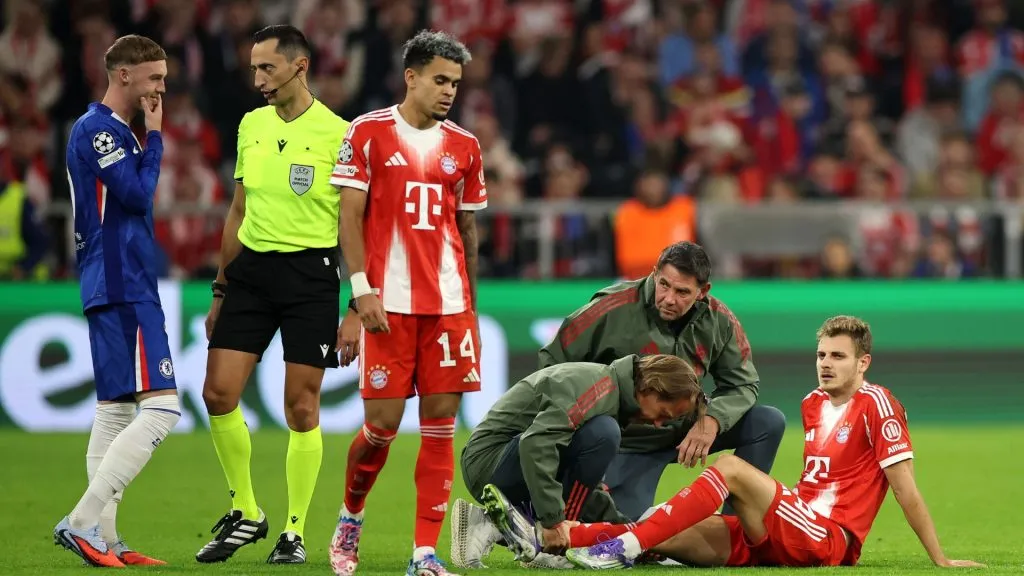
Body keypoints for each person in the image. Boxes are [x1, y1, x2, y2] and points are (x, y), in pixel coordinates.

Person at [451, 241, 786, 567]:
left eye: (682, 292)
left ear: (704, 290)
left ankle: (730, 537)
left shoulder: (720, 321)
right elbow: (554, 363)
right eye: (664, 285)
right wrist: (579, 424)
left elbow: (743, 383)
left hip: (676, 429)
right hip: (613, 441)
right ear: (654, 273)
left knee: (766, 422)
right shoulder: (610, 308)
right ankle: (545, 522)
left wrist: (710, 420)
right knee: (625, 529)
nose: (669, 298)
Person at [555, 316, 985, 569]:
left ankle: (624, 549)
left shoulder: (878, 403)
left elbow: (904, 486)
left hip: (829, 537)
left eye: (838, 357)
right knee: (664, 529)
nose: (826, 365)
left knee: (730, 469)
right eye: (821, 355)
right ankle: (555, 541)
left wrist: (939, 559)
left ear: (862, 362)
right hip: (793, 526)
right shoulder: (812, 403)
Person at [328, 30, 485, 576]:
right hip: (386, 305)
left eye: (456, 84)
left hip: (448, 306)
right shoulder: (367, 132)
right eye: (440, 80)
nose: (448, 92)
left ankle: (423, 552)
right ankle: (350, 516)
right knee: (381, 428)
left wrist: (472, 311)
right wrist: (360, 291)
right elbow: (349, 217)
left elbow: (466, 231)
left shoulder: (465, 146)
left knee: (441, 425)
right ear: (411, 76)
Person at [196, 25, 350, 565]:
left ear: (299, 67)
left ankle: (293, 531)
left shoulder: (340, 133)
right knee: (217, 393)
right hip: (252, 272)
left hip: (312, 275)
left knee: (300, 407)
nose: (257, 79)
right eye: (253, 68)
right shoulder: (250, 125)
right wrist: (220, 289)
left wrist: (356, 303)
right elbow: (237, 210)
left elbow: (359, 224)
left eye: (267, 68)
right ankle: (247, 511)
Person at [54, 34, 179, 568]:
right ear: (124, 75)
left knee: (114, 411)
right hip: (121, 282)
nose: (160, 90)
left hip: (118, 280)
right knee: (163, 408)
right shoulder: (100, 130)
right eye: (154, 79)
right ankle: (81, 522)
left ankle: (106, 538)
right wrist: (155, 140)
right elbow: (133, 195)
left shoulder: (113, 132)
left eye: (165, 81)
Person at [465, 354, 707, 566]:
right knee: (604, 433)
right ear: (650, 388)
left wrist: (630, 533)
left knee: (604, 432)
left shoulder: (608, 391)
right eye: (663, 414)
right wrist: (554, 522)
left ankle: (489, 526)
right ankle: (555, 543)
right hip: (487, 465)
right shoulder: (597, 391)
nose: (658, 424)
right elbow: (535, 445)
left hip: (500, 461)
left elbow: (584, 487)